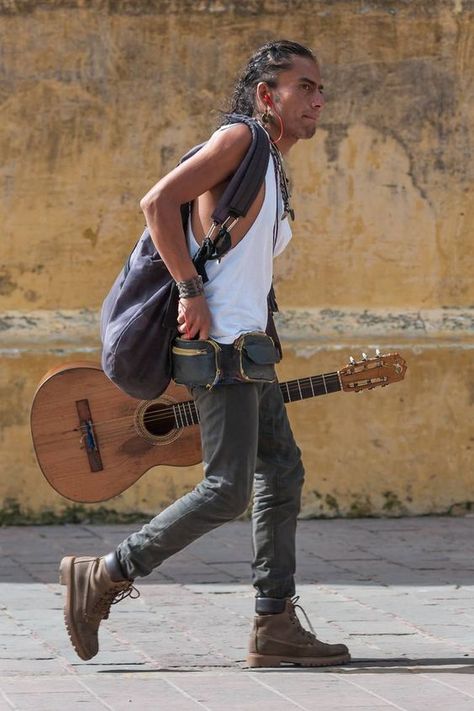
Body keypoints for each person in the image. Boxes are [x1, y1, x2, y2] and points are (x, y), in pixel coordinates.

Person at [59, 39, 351, 669]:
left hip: (247, 349)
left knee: (282, 469)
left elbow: (242, 268)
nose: (318, 100)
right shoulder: (241, 141)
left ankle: (274, 622)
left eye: (321, 89)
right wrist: (190, 289)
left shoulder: (270, 163)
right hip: (217, 350)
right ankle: (105, 573)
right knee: (226, 489)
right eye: (305, 87)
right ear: (267, 95)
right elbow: (158, 203)